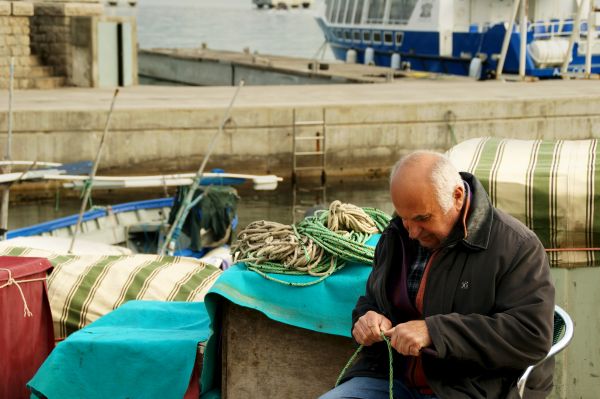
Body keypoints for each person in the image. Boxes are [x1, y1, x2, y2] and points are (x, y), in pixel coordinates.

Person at [320, 151, 555, 399]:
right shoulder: (396, 234)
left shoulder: (517, 245)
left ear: (457, 196)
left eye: (423, 219)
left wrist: (435, 332)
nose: (412, 232)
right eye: (404, 218)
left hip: (468, 388)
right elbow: (373, 298)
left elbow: (532, 336)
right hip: (388, 377)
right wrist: (366, 318)